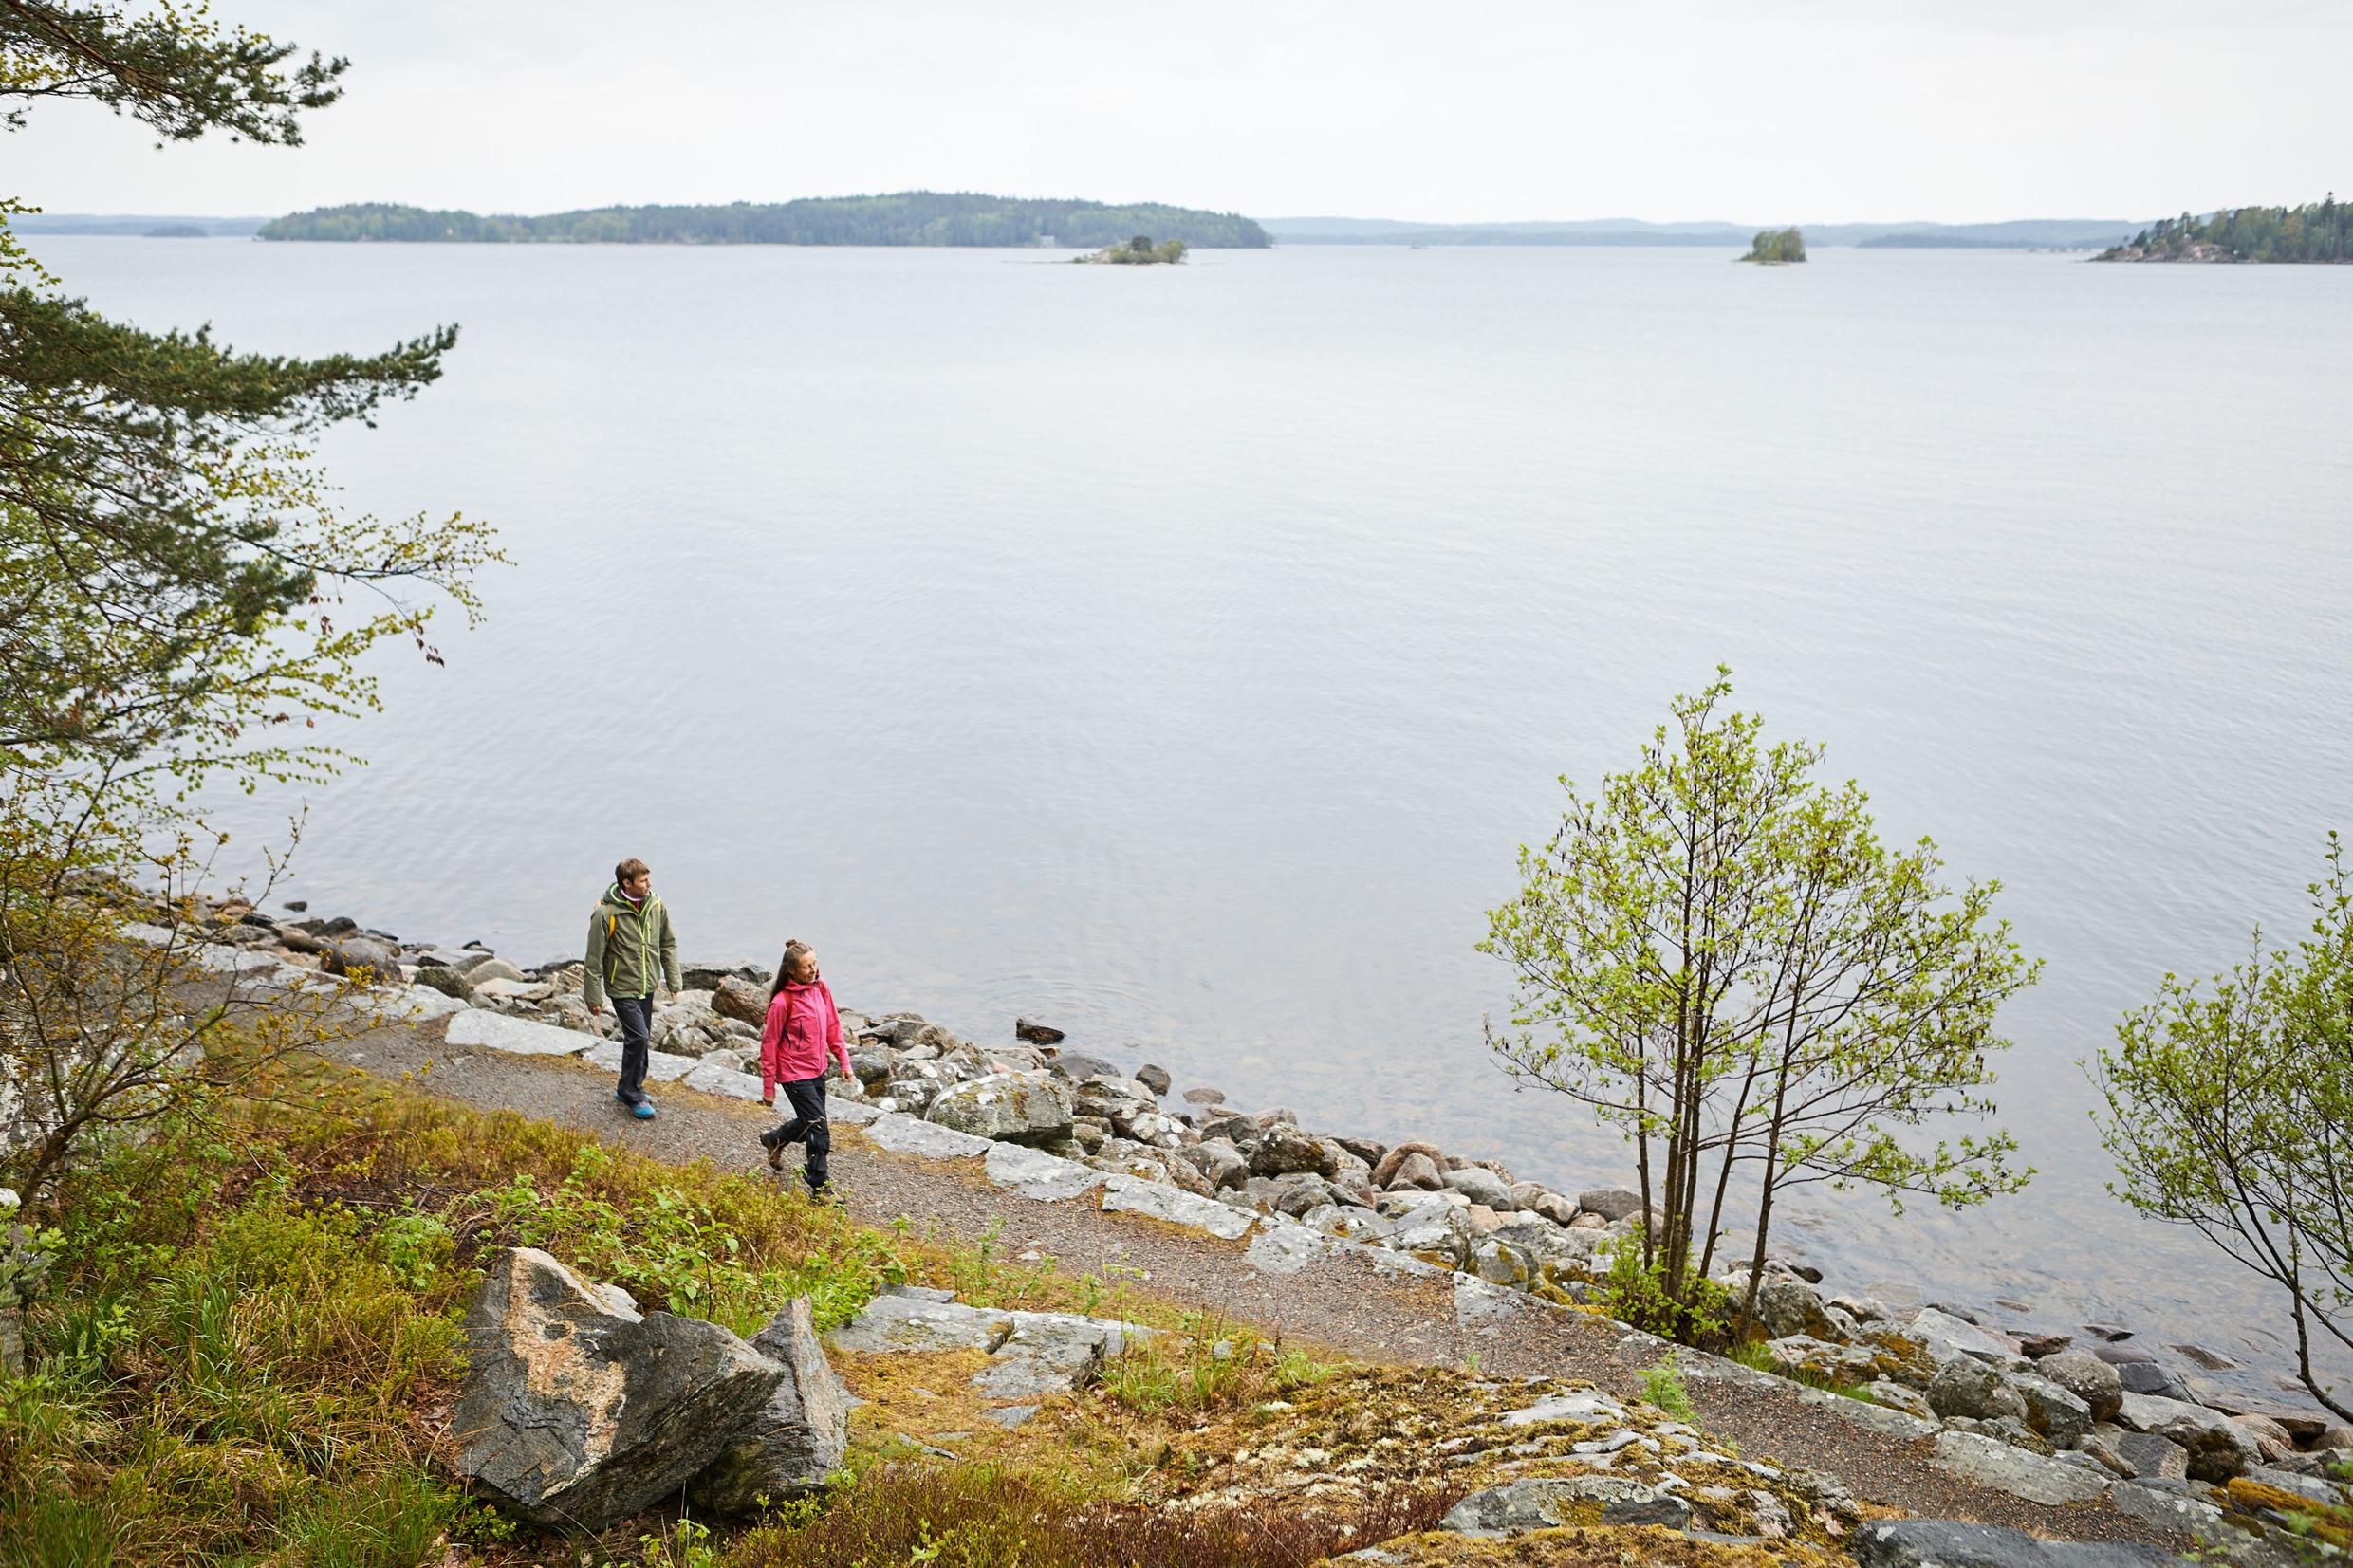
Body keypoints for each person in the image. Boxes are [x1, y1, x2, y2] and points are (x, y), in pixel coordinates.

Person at [584, 858, 681, 1119]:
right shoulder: (605, 914)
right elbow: (593, 959)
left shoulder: (655, 906)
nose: (649, 884)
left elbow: (668, 944)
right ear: (627, 883)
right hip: (622, 987)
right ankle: (634, 1094)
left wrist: (673, 981)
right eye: (643, 880)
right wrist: (593, 997)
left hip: (647, 984)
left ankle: (626, 1086)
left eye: (649, 878)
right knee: (639, 1037)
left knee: (637, 1039)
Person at [758, 939, 855, 1198]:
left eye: (815, 964)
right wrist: (769, 1087)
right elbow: (768, 1045)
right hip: (793, 1074)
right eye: (806, 967)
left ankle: (774, 1139)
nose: (813, 970)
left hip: (817, 1069)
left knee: (808, 1122)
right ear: (791, 970)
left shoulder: (820, 988)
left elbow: (833, 1025)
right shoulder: (782, 1002)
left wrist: (844, 1061)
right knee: (818, 1129)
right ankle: (819, 1186)